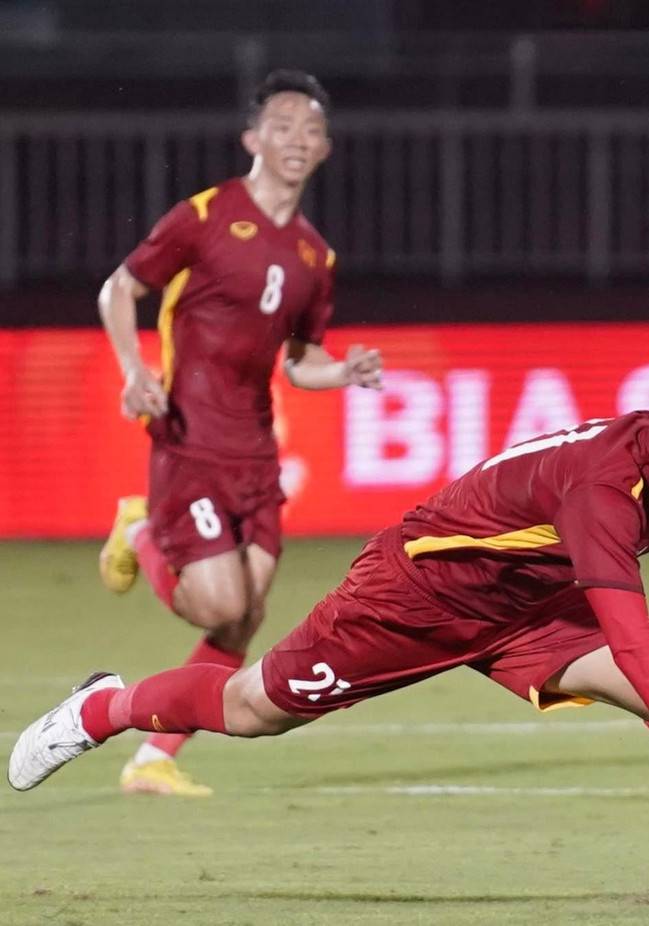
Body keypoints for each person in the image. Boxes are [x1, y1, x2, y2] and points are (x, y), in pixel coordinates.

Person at [10, 350, 649, 906]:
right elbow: (624, 630)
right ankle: (105, 707)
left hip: (525, 609)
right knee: (252, 708)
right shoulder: (603, 489)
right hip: (416, 596)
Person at [93, 69, 384, 796]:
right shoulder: (206, 214)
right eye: (282, 126)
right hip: (189, 437)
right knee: (221, 603)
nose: (298, 139)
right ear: (252, 139)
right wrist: (133, 369)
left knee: (244, 617)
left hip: (256, 450)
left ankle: (153, 758)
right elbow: (120, 288)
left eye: (311, 129)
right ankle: (140, 532)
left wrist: (344, 372)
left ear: (325, 149)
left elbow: (300, 361)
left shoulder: (315, 256)